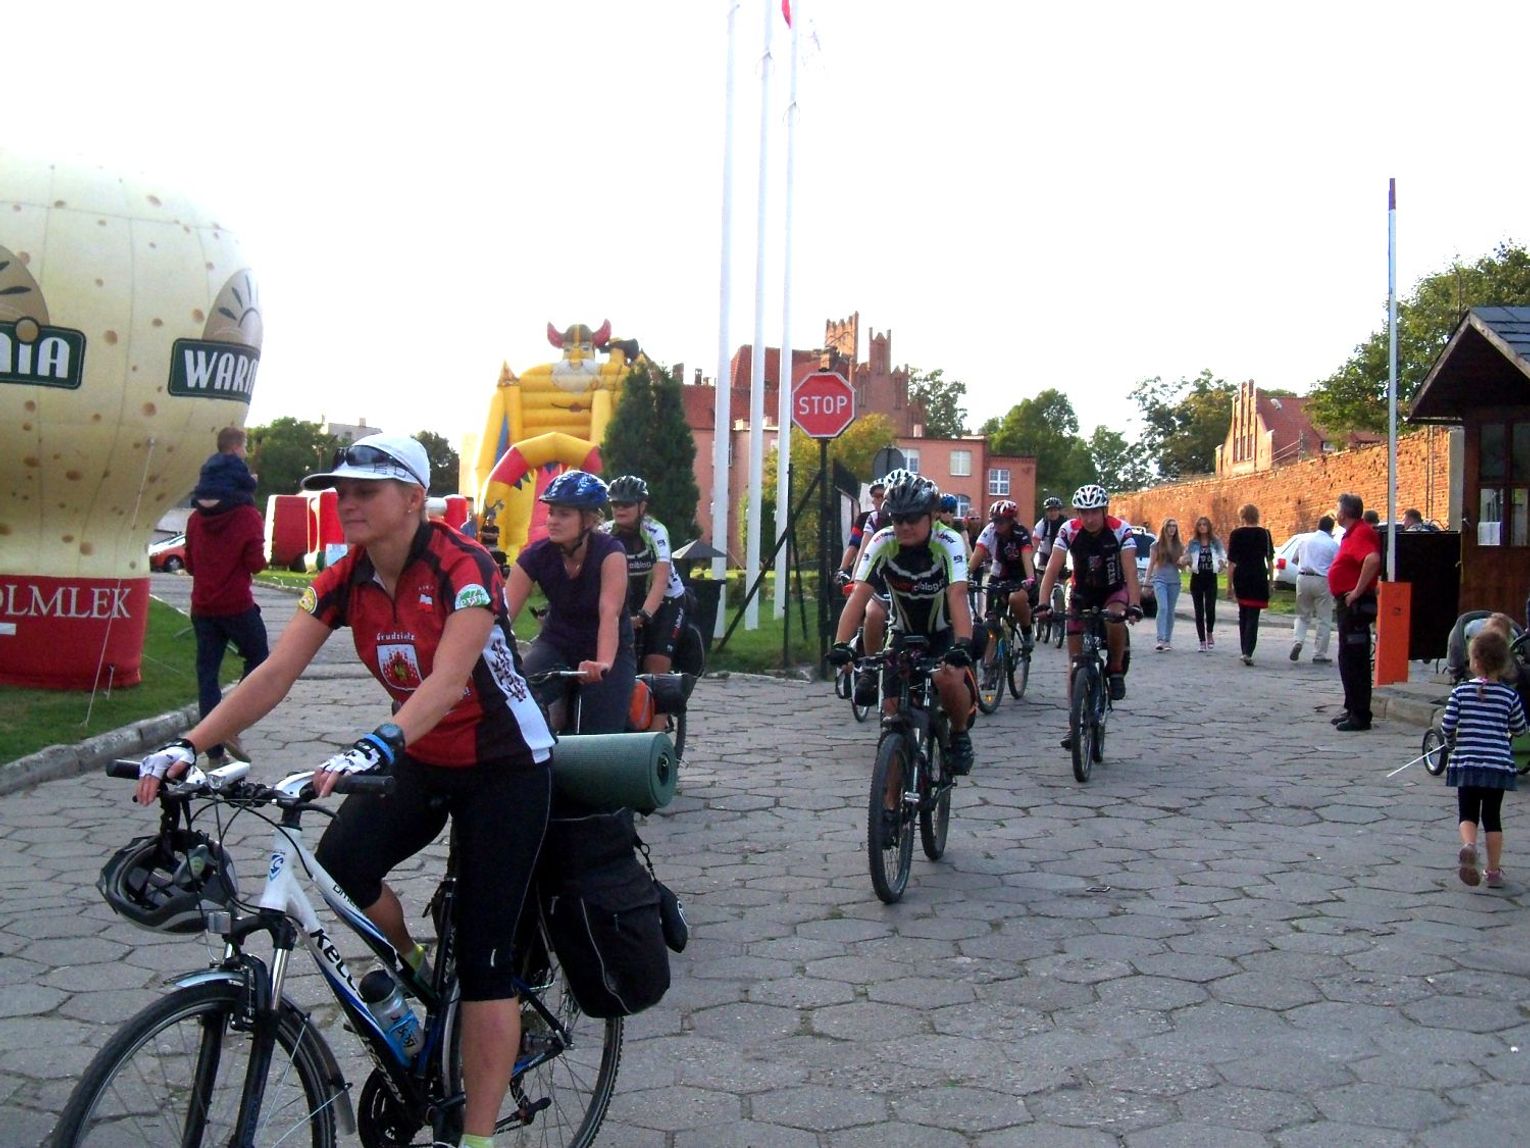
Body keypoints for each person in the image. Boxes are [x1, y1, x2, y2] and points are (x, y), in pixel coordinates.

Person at [136, 433, 554, 1148]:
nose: (347, 502)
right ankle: (417, 968)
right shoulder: (343, 576)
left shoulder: (465, 564)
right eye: (341, 491)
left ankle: (478, 1138)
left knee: (485, 961)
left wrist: (378, 740)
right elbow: (273, 673)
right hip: (421, 753)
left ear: (414, 498)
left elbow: (449, 680)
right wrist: (190, 743)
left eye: (366, 490)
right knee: (341, 866)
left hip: (505, 765)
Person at [829, 473, 977, 775]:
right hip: (902, 632)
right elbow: (860, 595)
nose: (905, 526)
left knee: (949, 679)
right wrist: (841, 645)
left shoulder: (948, 541)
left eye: (913, 518)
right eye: (898, 519)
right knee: (892, 713)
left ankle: (960, 733)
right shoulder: (883, 541)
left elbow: (958, 594)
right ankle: (890, 798)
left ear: (931, 516)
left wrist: (962, 644)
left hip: (943, 631)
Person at [507, 470, 635, 734]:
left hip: (606, 649)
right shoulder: (536, 556)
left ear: (588, 519)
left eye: (564, 514)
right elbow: (502, 613)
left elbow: (609, 614)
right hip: (557, 644)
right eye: (551, 512)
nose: (552, 521)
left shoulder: (610, 553)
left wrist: (603, 663)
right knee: (519, 701)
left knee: (598, 736)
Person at [1036, 484, 1142, 749]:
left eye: (1095, 512)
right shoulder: (1068, 530)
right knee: (1075, 663)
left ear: (1104, 511)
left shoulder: (1120, 529)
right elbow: (1052, 568)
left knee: (1114, 617)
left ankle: (1115, 668)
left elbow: (1130, 570)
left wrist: (1135, 604)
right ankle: (1074, 724)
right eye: (1084, 512)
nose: (1090, 518)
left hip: (1112, 590)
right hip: (1081, 592)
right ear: (1078, 513)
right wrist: (1042, 603)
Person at [186, 427, 269, 764]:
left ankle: (214, 753)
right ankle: (232, 722)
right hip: (236, 605)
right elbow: (256, 564)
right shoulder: (247, 516)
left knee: (207, 675)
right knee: (260, 658)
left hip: (202, 606)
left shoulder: (195, 519)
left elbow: (190, 564)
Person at [1442, 627, 1529, 888]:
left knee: (1467, 813)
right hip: (1497, 765)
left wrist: (1450, 744)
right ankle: (1492, 872)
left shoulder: (1460, 692)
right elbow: (1520, 728)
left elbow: (1447, 726)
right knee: (1492, 818)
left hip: (1467, 763)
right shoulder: (1509, 695)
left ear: (1475, 662)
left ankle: (1469, 846)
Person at [605, 475, 688, 678]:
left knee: (655, 667)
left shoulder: (655, 531)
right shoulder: (605, 532)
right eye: (615, 504)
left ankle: (661, 696)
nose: (620, 509)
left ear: (642, 507)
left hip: (667, 599)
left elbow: (660, 580)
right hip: (629, 597)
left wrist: (644, 615)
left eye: (627, 504)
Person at [1329, 492, 1382, 731]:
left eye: (1338, 509)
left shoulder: (1360, 533)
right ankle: (1351, 707)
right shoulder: (1351, 534)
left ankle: (1360, 714)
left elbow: (1372, 560)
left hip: (1355, 604)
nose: (1336, 513)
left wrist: (1357, 591)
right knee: (1347, 657)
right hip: (1348, 603)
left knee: (1355, 658)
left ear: (1344, 513)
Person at [970, 499, 1036, 656]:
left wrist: (1030, 579)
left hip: (1020, 575)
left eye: (1002, 521)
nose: (997, 525)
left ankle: (1027, 632)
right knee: (991, 621)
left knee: (1016, 599)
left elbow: (1027, 557)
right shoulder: (989, 531)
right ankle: (988, 665)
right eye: (995, 521)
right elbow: (977, 556)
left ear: (1011, 521)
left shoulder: (1020, 533)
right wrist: (964, 576)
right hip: (998, 575)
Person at [1225, 504, 1273, 666]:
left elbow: (1231, 563)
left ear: (1242, 516)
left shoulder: (1236, 534)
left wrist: (1229, 585)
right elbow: (1270, 560)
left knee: (1243, 613)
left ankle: (1244, 648)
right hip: (1259, 575)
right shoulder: (1264, 534)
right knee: (1254, 615)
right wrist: (1271, 581)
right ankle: (1248, 651)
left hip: (1242, 576)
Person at [1290, 516, 1338, 664]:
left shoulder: (1304, 541)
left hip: (1303, 577)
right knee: (1324, 618)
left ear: (1318, 525)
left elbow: (1294, 559)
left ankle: (1298, 641)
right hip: (1323, 579)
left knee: (1302, 614)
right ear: (1331, 528)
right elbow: (1337, 564)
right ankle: (1319, 653)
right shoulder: (1332, 544)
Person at [1182, 516, 1225, 652]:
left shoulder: (1215, 542)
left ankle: (1209, 633)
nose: (1202, 527)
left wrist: (1221, 563)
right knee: (1199, 611)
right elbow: (1187, 557)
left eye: (1204, 524)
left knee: (1210, 608)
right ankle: (1202, 641)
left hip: (1211, 577)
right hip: (1197, 577)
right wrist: (1187, 561)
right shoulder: (1193, 542)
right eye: (1200, 525)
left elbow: (1222, 556)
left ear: (1208, 526)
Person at [1147, 518, 1184, 650]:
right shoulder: (1156, 545)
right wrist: (1146, 582)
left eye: (1174, 526)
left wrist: (1183, 562)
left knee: (1170, 610)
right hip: (1159, 579)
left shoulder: (1179, 546)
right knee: (1163, 608)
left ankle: (1167, 640)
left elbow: (1183, 567)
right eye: (1169, 526)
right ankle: (1160, 639)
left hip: (1174, 581)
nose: (1172, 528)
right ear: (1164, 528)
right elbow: (1151, 564)